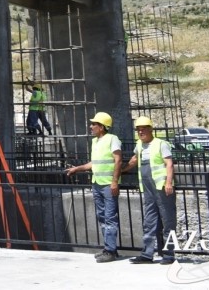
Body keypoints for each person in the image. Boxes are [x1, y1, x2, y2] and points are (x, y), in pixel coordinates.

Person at [67, 111, 121, 263]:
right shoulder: (95, 142)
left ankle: (110, 251)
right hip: (97, 183)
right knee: (102, 216)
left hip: (108, 184)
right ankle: (109, 248)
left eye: (94, 124)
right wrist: (77, 169)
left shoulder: (112, 139)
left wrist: (115, 181)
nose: (91, 127)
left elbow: (118, 160)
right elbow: (94, 163)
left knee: (110, 218)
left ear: (102, 127)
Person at [123, 116, 176, 265]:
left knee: (168, 220)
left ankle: (169, 254)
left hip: (162, 188)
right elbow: (134, 160)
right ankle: (147, 254)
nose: (141, 131)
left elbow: (169, 164)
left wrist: (169, 183)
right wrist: (123, 170)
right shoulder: (139, 145)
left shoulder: (161, 144)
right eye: (138, 129)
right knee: (149, 220)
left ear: (151, 129)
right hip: (148, 189)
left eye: (144, 128)